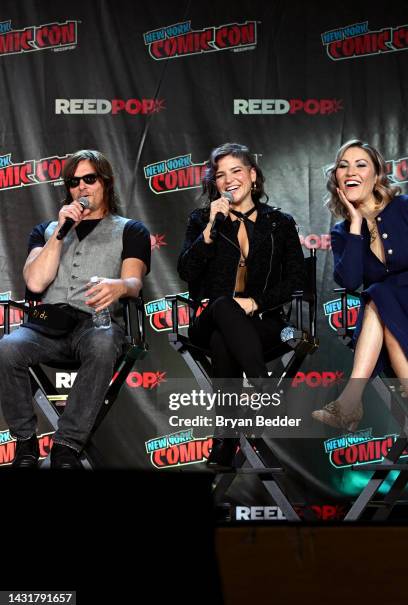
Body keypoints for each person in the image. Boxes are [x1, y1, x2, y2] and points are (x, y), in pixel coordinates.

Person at [0, 150, 150, 468]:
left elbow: (134, 281)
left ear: (105, 182)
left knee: (103, 340)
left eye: (89, 179)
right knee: (7, 348)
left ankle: (67, 444)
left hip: (96, 323)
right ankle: (25, 443)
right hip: (47, 327)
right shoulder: (47, 230)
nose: (81, 187)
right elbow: (36, 282)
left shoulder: (131, 230)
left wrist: (120, 286)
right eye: (73, 182)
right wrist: (60, 232)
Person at [178, 143, 305, 467]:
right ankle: (263, 387)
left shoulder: (279, 223)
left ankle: (225, 439)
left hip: (262, 322)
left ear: (252, 175)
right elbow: (186, 271)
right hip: (208, 318)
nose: (228, 179)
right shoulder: (201, 219)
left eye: (236, 171)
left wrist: (256, 302)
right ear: (214, 183)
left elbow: (294, 279)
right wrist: (208, 231)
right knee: (222, 307)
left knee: (225, 339)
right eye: (220, 175)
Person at [312, 139, 407, 432]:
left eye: (360, 164)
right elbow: (351, 281)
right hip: (388, 311)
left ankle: (350, 402)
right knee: (378, 295)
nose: (350, 171)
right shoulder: (343, 233)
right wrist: (355, 225)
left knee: (379, 294)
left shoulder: (403, 207)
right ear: (337, 179)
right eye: (343, 165)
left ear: (377, 175)